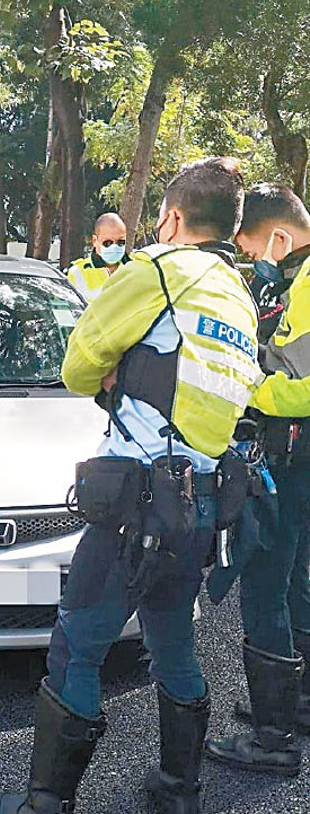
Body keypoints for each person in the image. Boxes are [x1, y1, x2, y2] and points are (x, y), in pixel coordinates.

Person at [0, 157, 262, 814]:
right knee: (173, 644)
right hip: (204, 504)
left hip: (135, 507)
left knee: (77, 644)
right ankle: (178, 792)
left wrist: (113, 371)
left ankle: (45, 803)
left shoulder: (157, 270)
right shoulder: (236, 294)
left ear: (173, 217)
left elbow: (77, 367)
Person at [205, 184, 310, 776]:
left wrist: (243, 384)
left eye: (248, 248)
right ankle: (295, 704)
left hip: (293, 456)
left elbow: (301, 383)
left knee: (265, 582)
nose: (249, 260)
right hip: (302, 458)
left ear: (275, 237)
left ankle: (273, 740)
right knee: (295, 575)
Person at [66, 212, 127, 301]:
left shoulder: (135, 268)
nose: (115, 247)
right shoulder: (77, 273)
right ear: (95, 240)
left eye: (120, 242)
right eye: (108, 243)